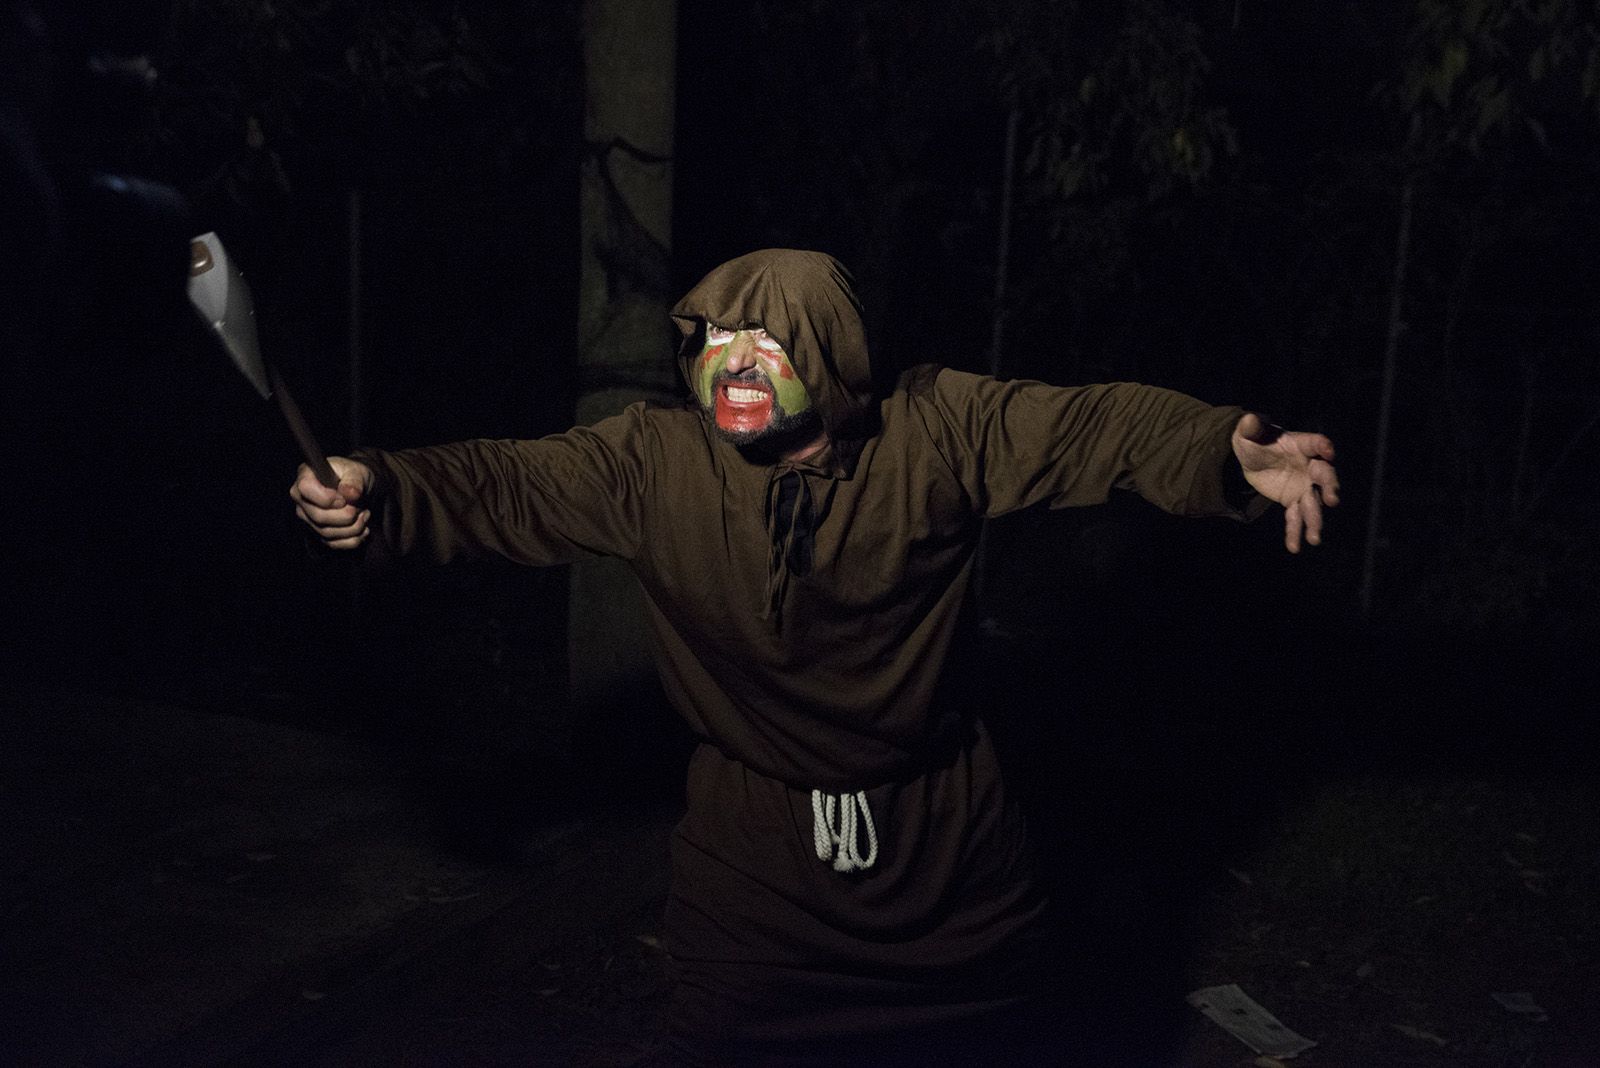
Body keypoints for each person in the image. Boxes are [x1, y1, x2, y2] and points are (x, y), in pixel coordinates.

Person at [291, 249, 1340, 1063]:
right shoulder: (654, 461)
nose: (730, 361)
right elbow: (506, 484)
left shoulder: (936, 429)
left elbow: (1091, 427)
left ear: (830, 351)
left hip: (942, 843)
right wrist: (381, 487)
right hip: (758, 864)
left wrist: (1221, 453)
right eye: (712, 338)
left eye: (764, 338)